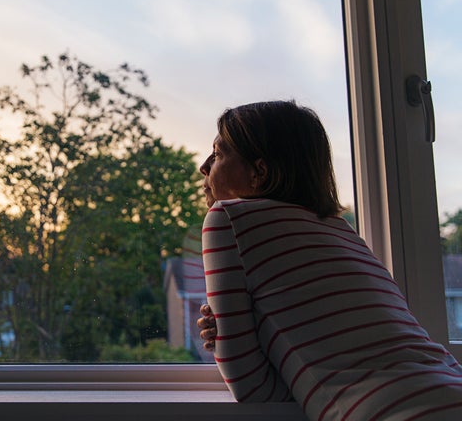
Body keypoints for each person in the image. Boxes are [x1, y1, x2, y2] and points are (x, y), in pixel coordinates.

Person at [196, 100, 462, 420]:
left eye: (219, 153)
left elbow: (253, 388)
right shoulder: (340, 229)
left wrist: (229, 336)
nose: (205, 166)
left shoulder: (227, 218)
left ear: (259, 173)